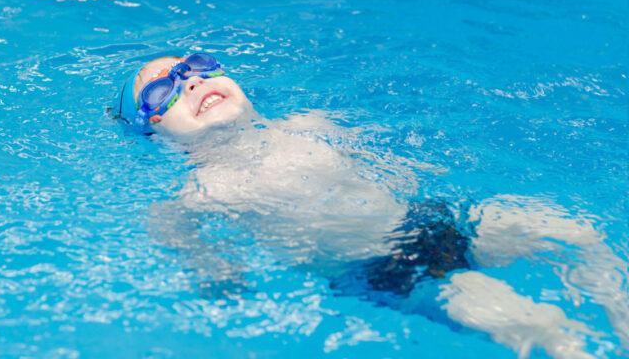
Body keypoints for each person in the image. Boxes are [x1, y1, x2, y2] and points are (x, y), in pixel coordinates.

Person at [112, 53, 627, 357]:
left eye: (195, 67)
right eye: (163, 91)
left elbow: (380, 162)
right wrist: (213, 269)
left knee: (578, 231)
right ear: (152, 133)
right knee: (538, 323)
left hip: (431, 217)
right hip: (386, 270)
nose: (192, 82)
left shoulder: (308, 124)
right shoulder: (208, 190)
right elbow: (168, 224)